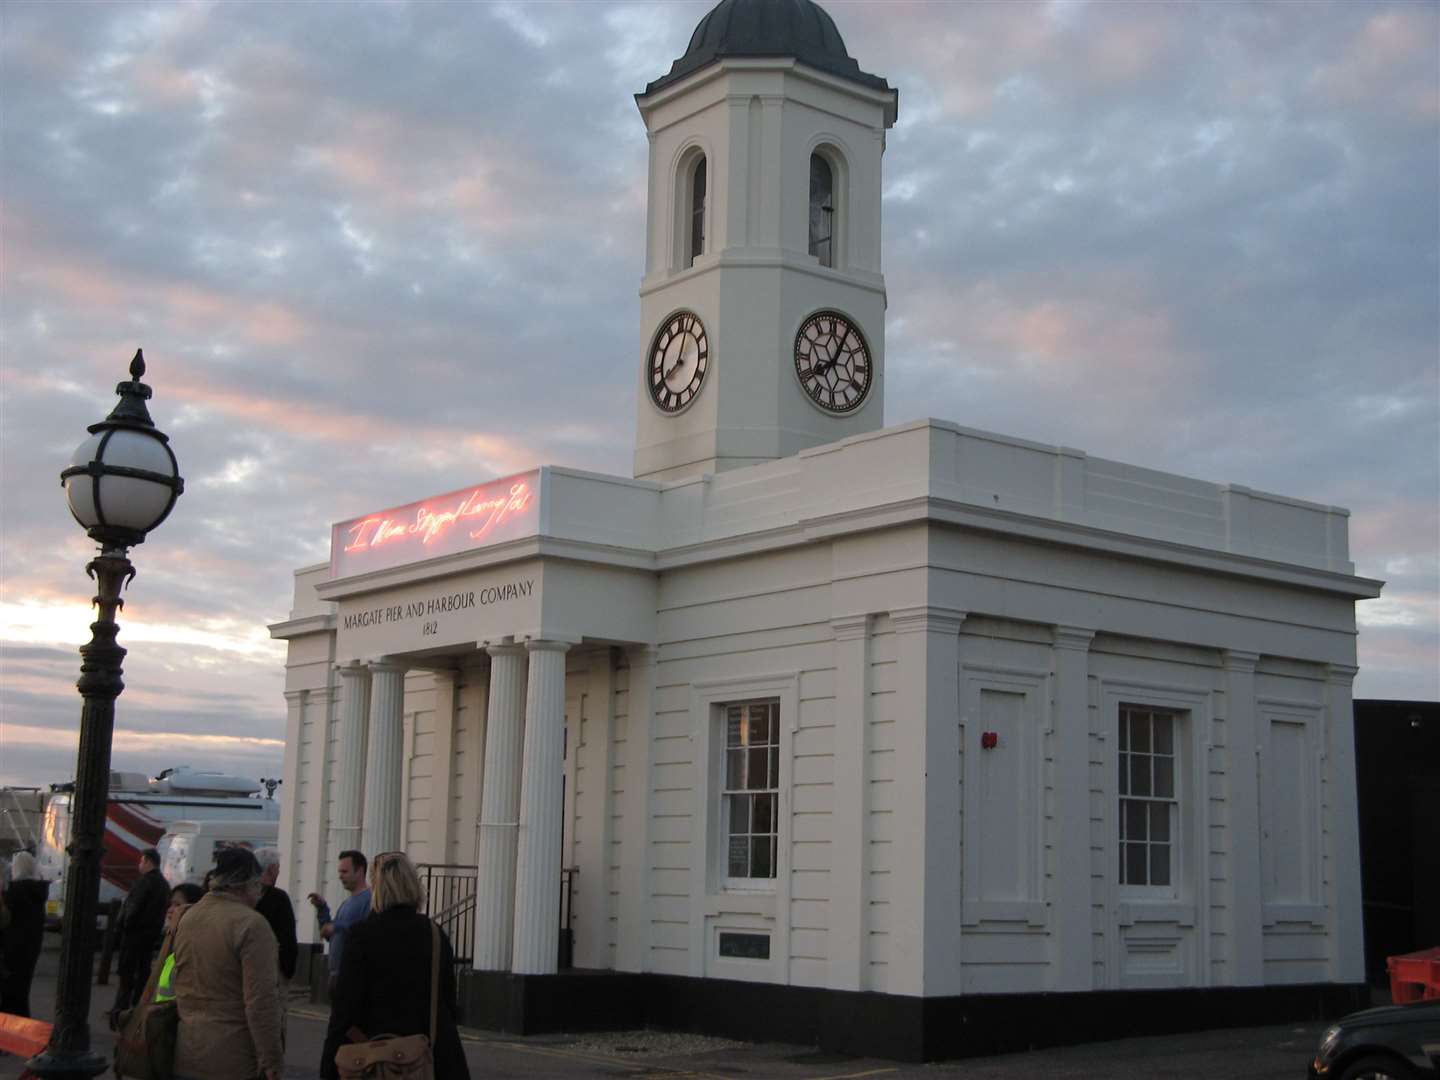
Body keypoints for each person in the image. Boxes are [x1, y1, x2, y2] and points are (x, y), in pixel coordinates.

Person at [320, 852, 469, 1080]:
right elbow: (447, 1000)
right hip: (428, 1056)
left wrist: (328, 1066)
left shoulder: (362, 936)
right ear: (413, 886)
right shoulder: (434, 934)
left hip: (373, 1058)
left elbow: (345, 1008)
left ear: (378, 889)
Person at [169, 849, 283, 1080]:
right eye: (258, 886)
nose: (260, 894)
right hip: (233, 1057)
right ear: (246, 884)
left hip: (186, 1049)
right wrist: (272, 1059)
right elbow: (260, 1000)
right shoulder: (251, 925)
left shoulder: (189, 917)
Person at [111, 846, 170, 1021]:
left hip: (135, 934)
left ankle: (120, 1011)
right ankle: (138, 1006)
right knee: (143, 971)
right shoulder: (163, 884)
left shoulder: (144, 882)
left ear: (148, 861)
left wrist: (123, 925)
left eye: (141, 861)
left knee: (127, 973)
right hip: (150, 934)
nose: (139, 864)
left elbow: (133, 907)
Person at [307, 849, 370, 995]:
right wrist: (322, 909)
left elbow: (367, 931)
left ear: (360, 871)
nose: (340, 876)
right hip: (336, 975)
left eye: (345, 872)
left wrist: (337, 926)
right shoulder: (347, 902)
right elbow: (331, 935)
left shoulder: (370, 899)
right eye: (340, 872)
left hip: (353, 976)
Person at [0, 851, 49, 1017]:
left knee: (10, 997)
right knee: (21, 994)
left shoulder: (16, 893)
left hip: (11, 951)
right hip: (30, 950)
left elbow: (4, 920)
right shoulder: (37, 892)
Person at [153, 882, 205, 1003]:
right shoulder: (172, 938)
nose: (170, 910)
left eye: (177, 905)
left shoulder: (191, 943)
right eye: (171, 904)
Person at [253, 847, 298, 981]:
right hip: (272, 965)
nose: (278, 872)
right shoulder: (279, 898)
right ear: (272, 869)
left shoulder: (245, 894)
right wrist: (288, 969)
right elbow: (287, 935)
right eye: (278, 868)